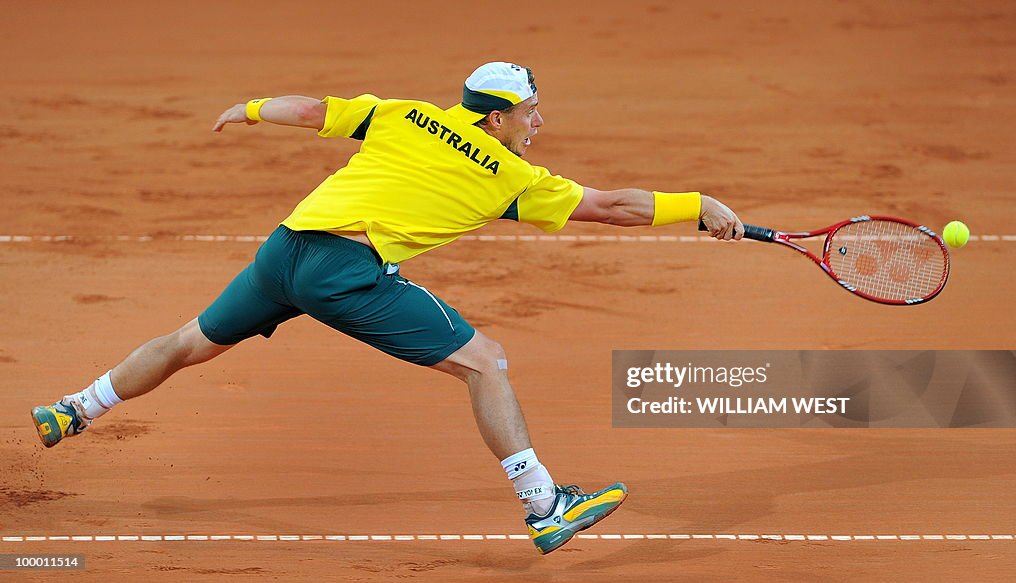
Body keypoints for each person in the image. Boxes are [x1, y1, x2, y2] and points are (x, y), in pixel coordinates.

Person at [31, 62, 744, 554]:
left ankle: (74, 407)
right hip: (344, 271)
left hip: (286, 247)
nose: (539, 121)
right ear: (497, 118)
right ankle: (544, 505)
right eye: (529, 111)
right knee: (486, 362)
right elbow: (612, 206)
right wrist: (699, 205)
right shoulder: (511, 176)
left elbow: (313, 112)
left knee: (191, 339)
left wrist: (249, 109)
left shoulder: (404, 115)